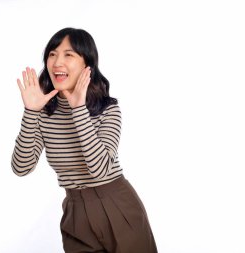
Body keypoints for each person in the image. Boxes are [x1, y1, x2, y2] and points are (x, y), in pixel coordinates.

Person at [11, 27, 157, 253]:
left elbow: (99, 170)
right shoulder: (42, 112)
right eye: (52, 54)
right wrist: (30, 112)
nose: (57, 61)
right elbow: (21, 167)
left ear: (87, 64)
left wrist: (78, 109)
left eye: (68, 55)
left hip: (117, 204)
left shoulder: (108, 109)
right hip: (75, 213)